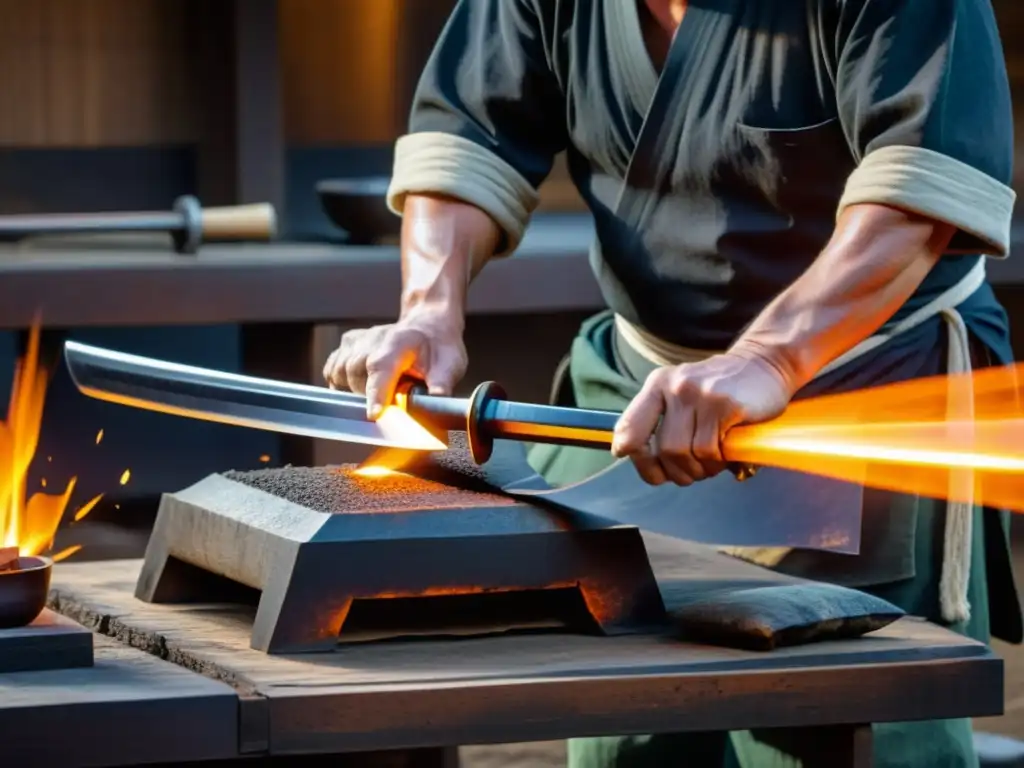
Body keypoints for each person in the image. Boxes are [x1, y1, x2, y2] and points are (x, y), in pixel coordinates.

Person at [323, 1, 1022, 765]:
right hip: (631, 390)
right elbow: (466, 139)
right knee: (622, 716)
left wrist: (768, 361)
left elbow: (919, 191)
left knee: (837, 720)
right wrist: (428, 313)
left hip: (859, 383)